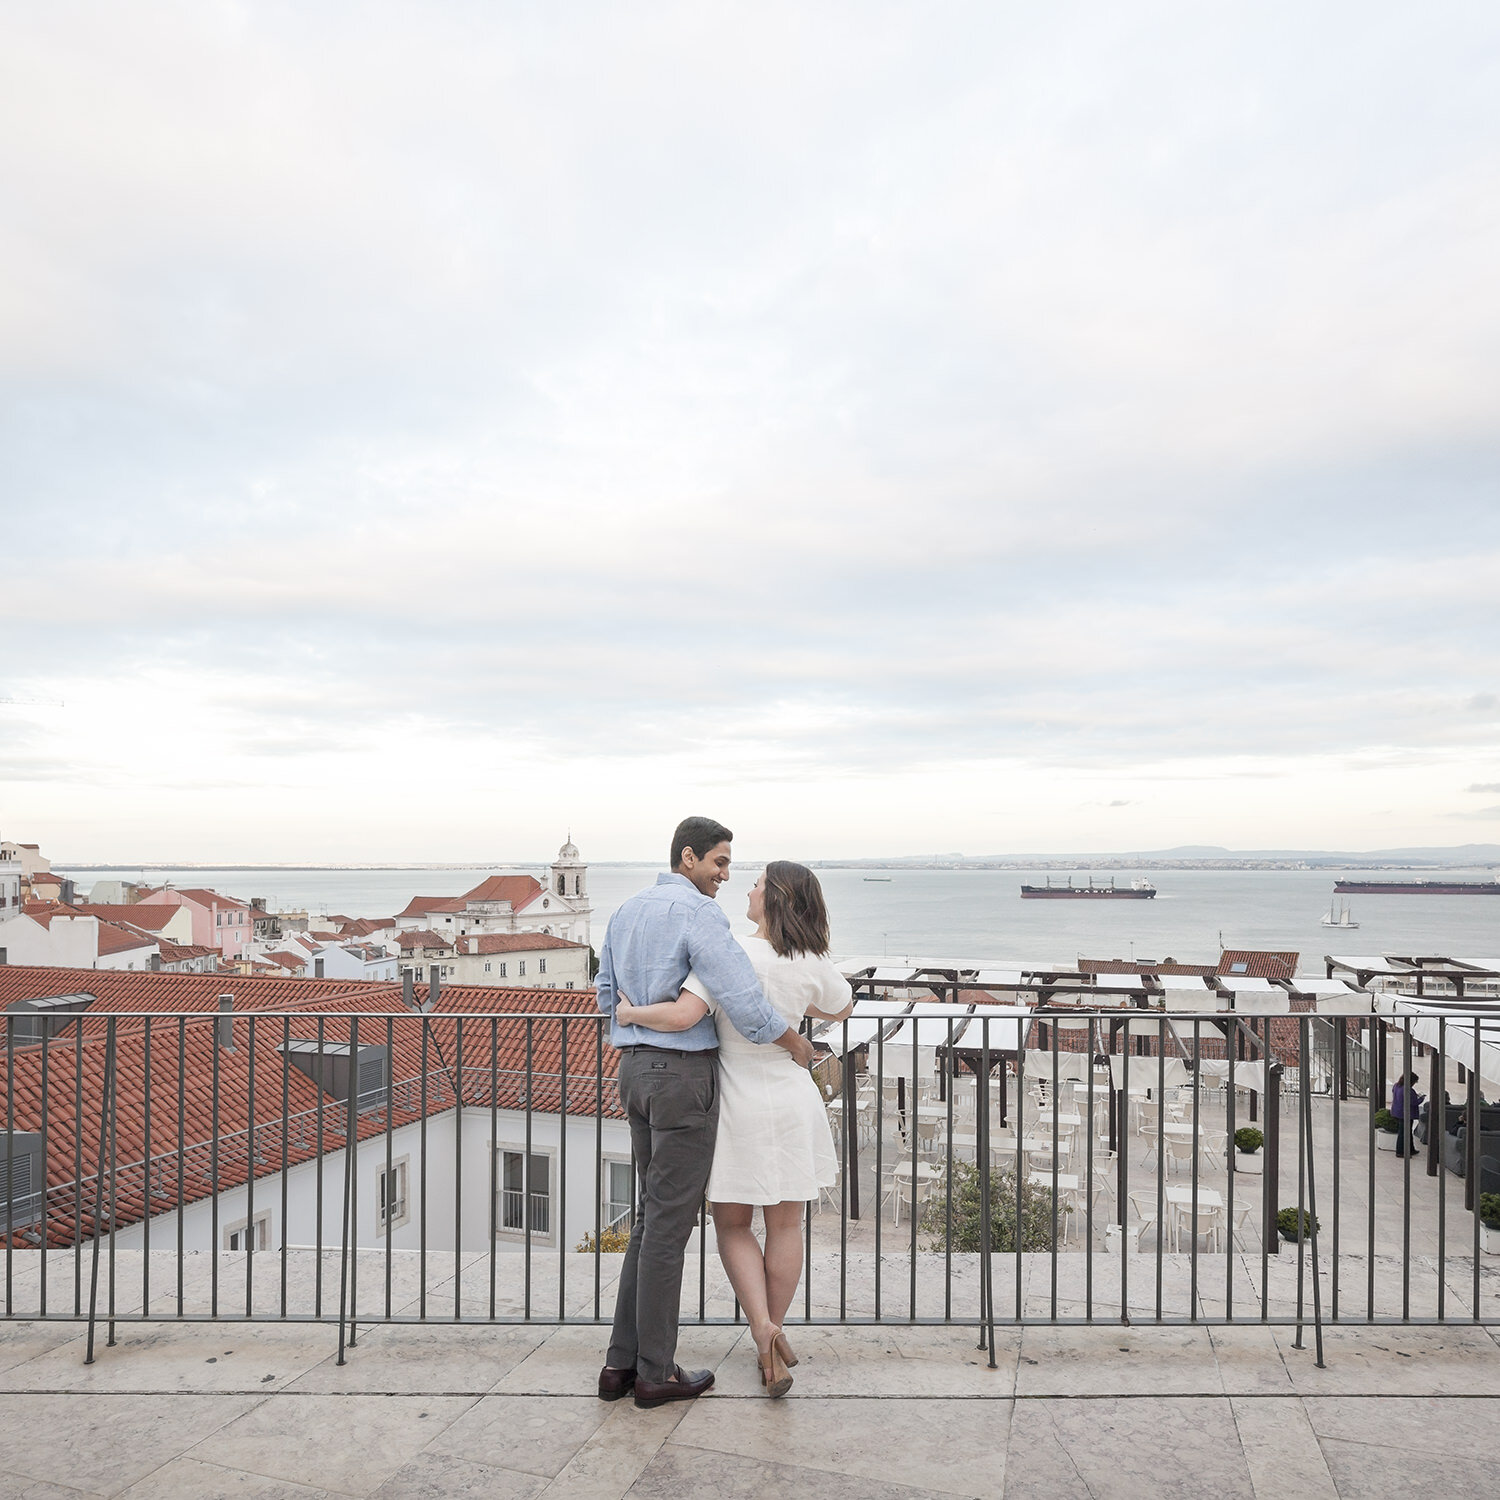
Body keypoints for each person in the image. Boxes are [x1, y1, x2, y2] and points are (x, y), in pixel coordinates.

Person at [595, 817, 817, 1410]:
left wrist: (628, 1019)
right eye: (719, 862)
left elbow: (603, 990)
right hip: (681, 1079)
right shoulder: (698, 914)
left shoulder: (624, 913)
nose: (724, 875)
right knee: (668, 1227)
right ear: (687, 857)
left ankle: (619, 1365)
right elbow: (738, 992)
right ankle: (654, 1372)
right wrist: (791, 1040)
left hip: (633, 1071)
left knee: (648, 1220)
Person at [1392, 1070, 1423, 1158]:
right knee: (1404, 1133)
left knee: (1406, 1131)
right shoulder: (1408, 1090)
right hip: (1406, 1113)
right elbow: (1414, 1102)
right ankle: (1401, 1151)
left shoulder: (1396, 1086)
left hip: (1397, 1112)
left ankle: (1411, 1149)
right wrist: (1421, 1098)